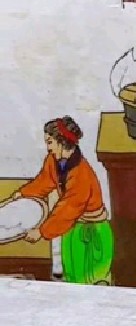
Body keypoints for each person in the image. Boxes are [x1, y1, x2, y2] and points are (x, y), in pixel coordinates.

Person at [1, 117, 113, 283]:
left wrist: (41, 231)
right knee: (72, 276)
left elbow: (69, 208)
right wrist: (20, 195)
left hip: (91, 233)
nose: (48, 148)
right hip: (71, 229)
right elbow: (44, 181)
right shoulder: (53, 161)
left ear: (62, 141)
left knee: (90, 280)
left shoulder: (81, 173)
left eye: (50, 142)